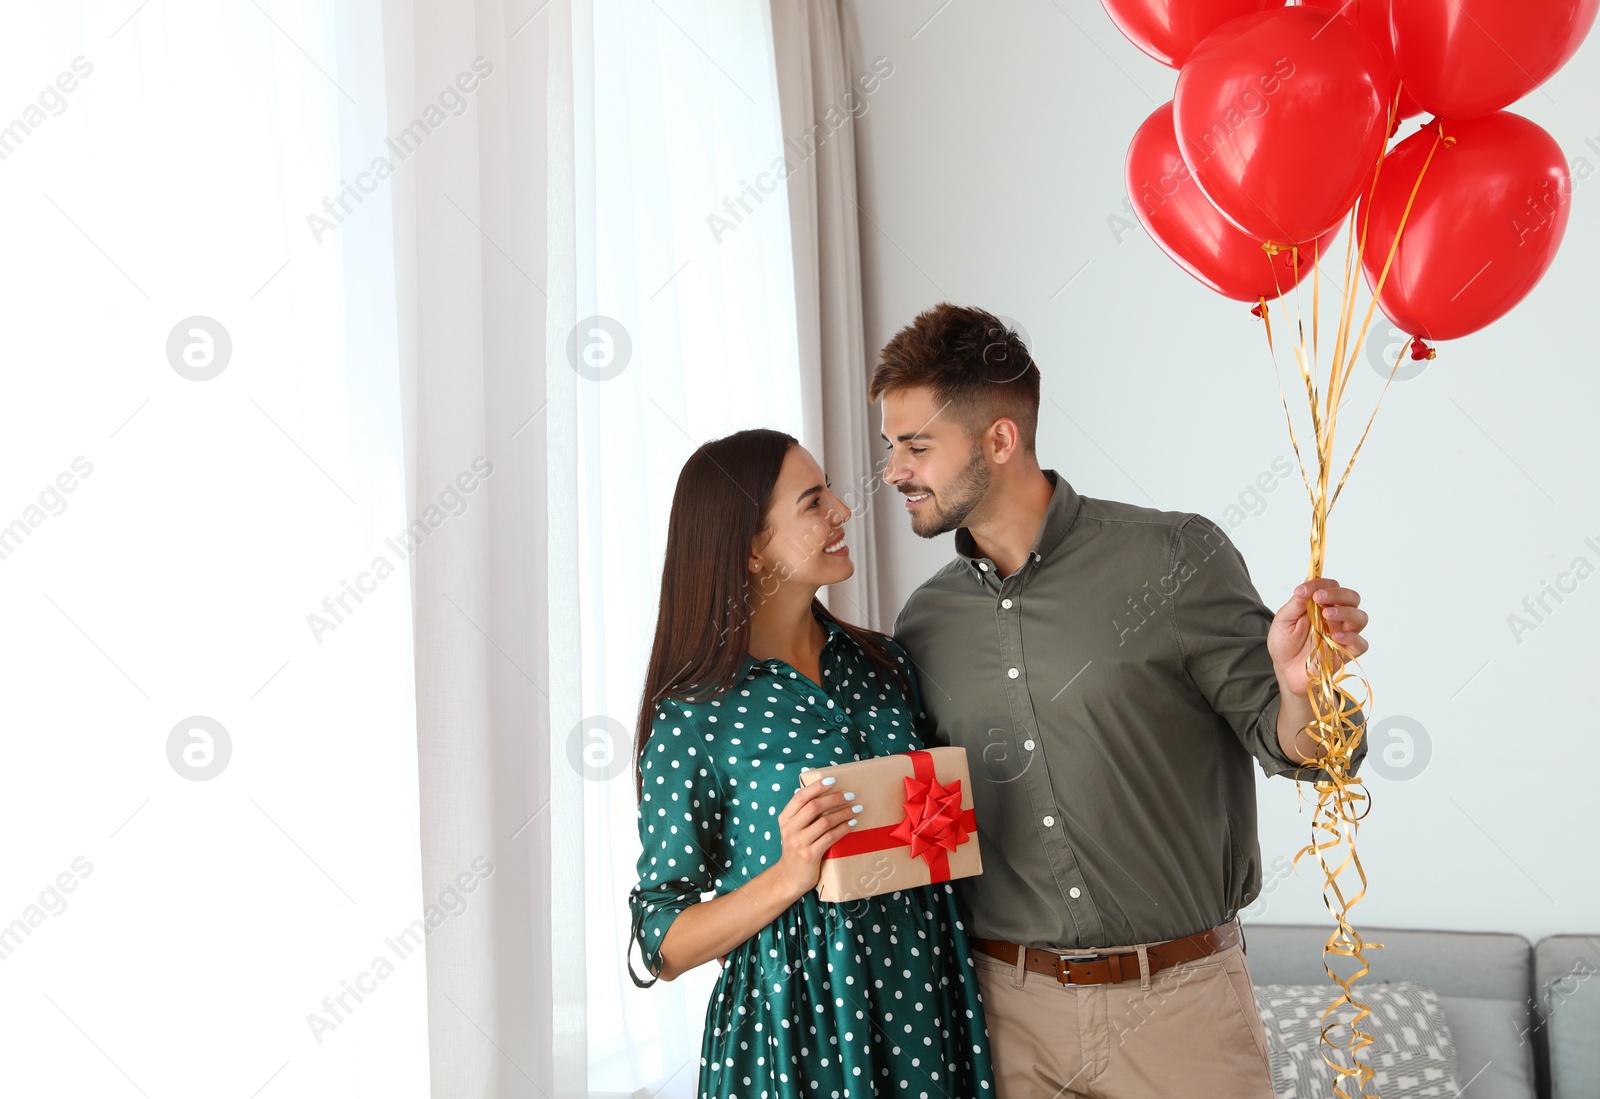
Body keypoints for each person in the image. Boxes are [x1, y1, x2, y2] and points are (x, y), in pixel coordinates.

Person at [871, 303, 1371, 1098]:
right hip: (1007, 1013)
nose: (894, 469)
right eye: (891, 446)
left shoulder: (1176, 557)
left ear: (1000, 440)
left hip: (1181, 1011)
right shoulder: (923, 623)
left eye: (916, 446)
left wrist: (1300, 689)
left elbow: (1309, 753)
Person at [627, 428, 996, 1098]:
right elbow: (663, 941)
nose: (842, 511)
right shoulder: (696, 715)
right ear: (750, 548)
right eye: (812, 501)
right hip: (791, 1040)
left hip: (923, 1003)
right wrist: (789, 874)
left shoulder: (887, 667)